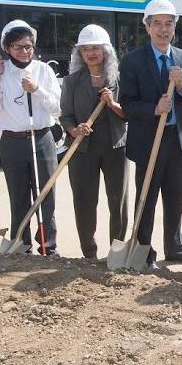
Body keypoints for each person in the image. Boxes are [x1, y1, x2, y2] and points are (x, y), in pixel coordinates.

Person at [119, 0, 182, 266]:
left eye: (169, 24)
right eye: (157, 24)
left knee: (176, 196)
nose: (163, 30)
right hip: (147, 142)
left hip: (177, 143)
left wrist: (180, 87)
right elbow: (127, 103)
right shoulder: (132, 61)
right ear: (147, 27)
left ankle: (175, 247)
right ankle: (144, 250)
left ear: (174, 27)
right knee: (146, 198)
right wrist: (153, 109)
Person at [0, 20, 62, 256]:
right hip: (12, 140)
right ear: (7, 48)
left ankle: (48, 245)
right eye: (18, 47)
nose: (24, 51)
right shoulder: (1, 72)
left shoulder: (44, 70)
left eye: (28, 46)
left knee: (45, 194)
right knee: (18, 195)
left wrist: (36, 90)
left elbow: (57, 108)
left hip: (41, 138)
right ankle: (22, 242)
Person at [60, 24, 129, 260]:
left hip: (114, 147)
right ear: (80, 53)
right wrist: (73, 129)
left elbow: (129, 114)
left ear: (105, 51)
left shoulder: (119, 80)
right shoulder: (71, 82)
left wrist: (113, 104)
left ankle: (117, 252)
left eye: (95, 48)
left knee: (117, 201)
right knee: (84, 202)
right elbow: (65, 115)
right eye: (86, 49)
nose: (91, 53)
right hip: (82, 149)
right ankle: (89, 253)